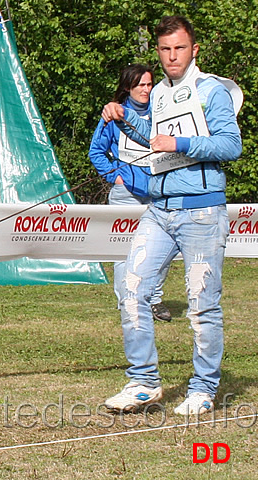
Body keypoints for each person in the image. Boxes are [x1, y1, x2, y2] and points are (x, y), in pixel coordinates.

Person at [101, 15, 242, 416]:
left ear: (193, 49)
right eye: (165, 49)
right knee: (130, 291)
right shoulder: (158, 93)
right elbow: (155, 141)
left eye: (179, 48)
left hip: (202, 212)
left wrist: (178, 141)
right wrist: (124, 117)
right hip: (158, 211)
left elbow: (231, 145)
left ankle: (203, 388)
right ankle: (143, 381)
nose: (171, 56)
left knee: (202, 305)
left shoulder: (211, 90)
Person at [88, 64, 172, 322]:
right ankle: (127, 301)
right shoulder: (114, 114)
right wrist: (117, 177)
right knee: (124, 251)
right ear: (128, 88)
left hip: (160, 192)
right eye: (140, 86)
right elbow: (96, 152)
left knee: (164, 249)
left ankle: (154, 300)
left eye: (149, 84)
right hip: (127, 193)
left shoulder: (163, 112)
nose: (146, 90)